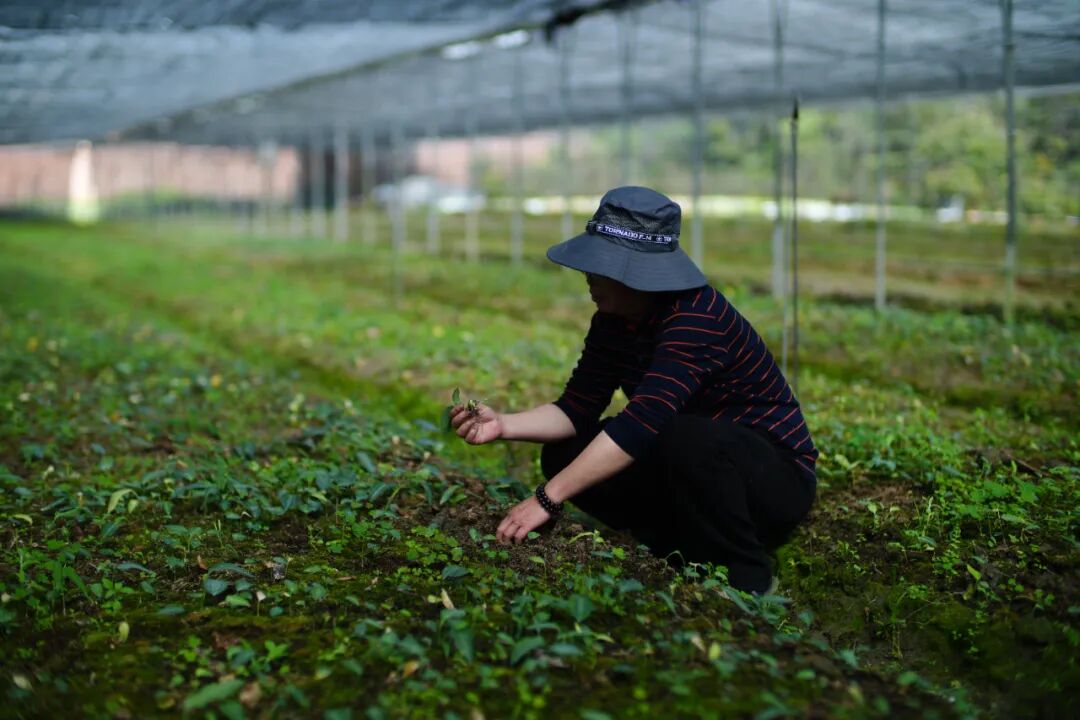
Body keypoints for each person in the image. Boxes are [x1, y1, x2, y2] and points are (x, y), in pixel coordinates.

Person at [447, 186, 817, 594]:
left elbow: (642, 423)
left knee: (680, 435)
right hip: (692, 465)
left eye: (601, 267)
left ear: (637, 272)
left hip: (771, 480)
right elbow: (576, 408)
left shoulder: (695, 317)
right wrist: (503, 424)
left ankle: (748, 577)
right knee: (565, 451)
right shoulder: (614, 319)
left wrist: (547, 499)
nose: (588, 276)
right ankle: (674, 544)